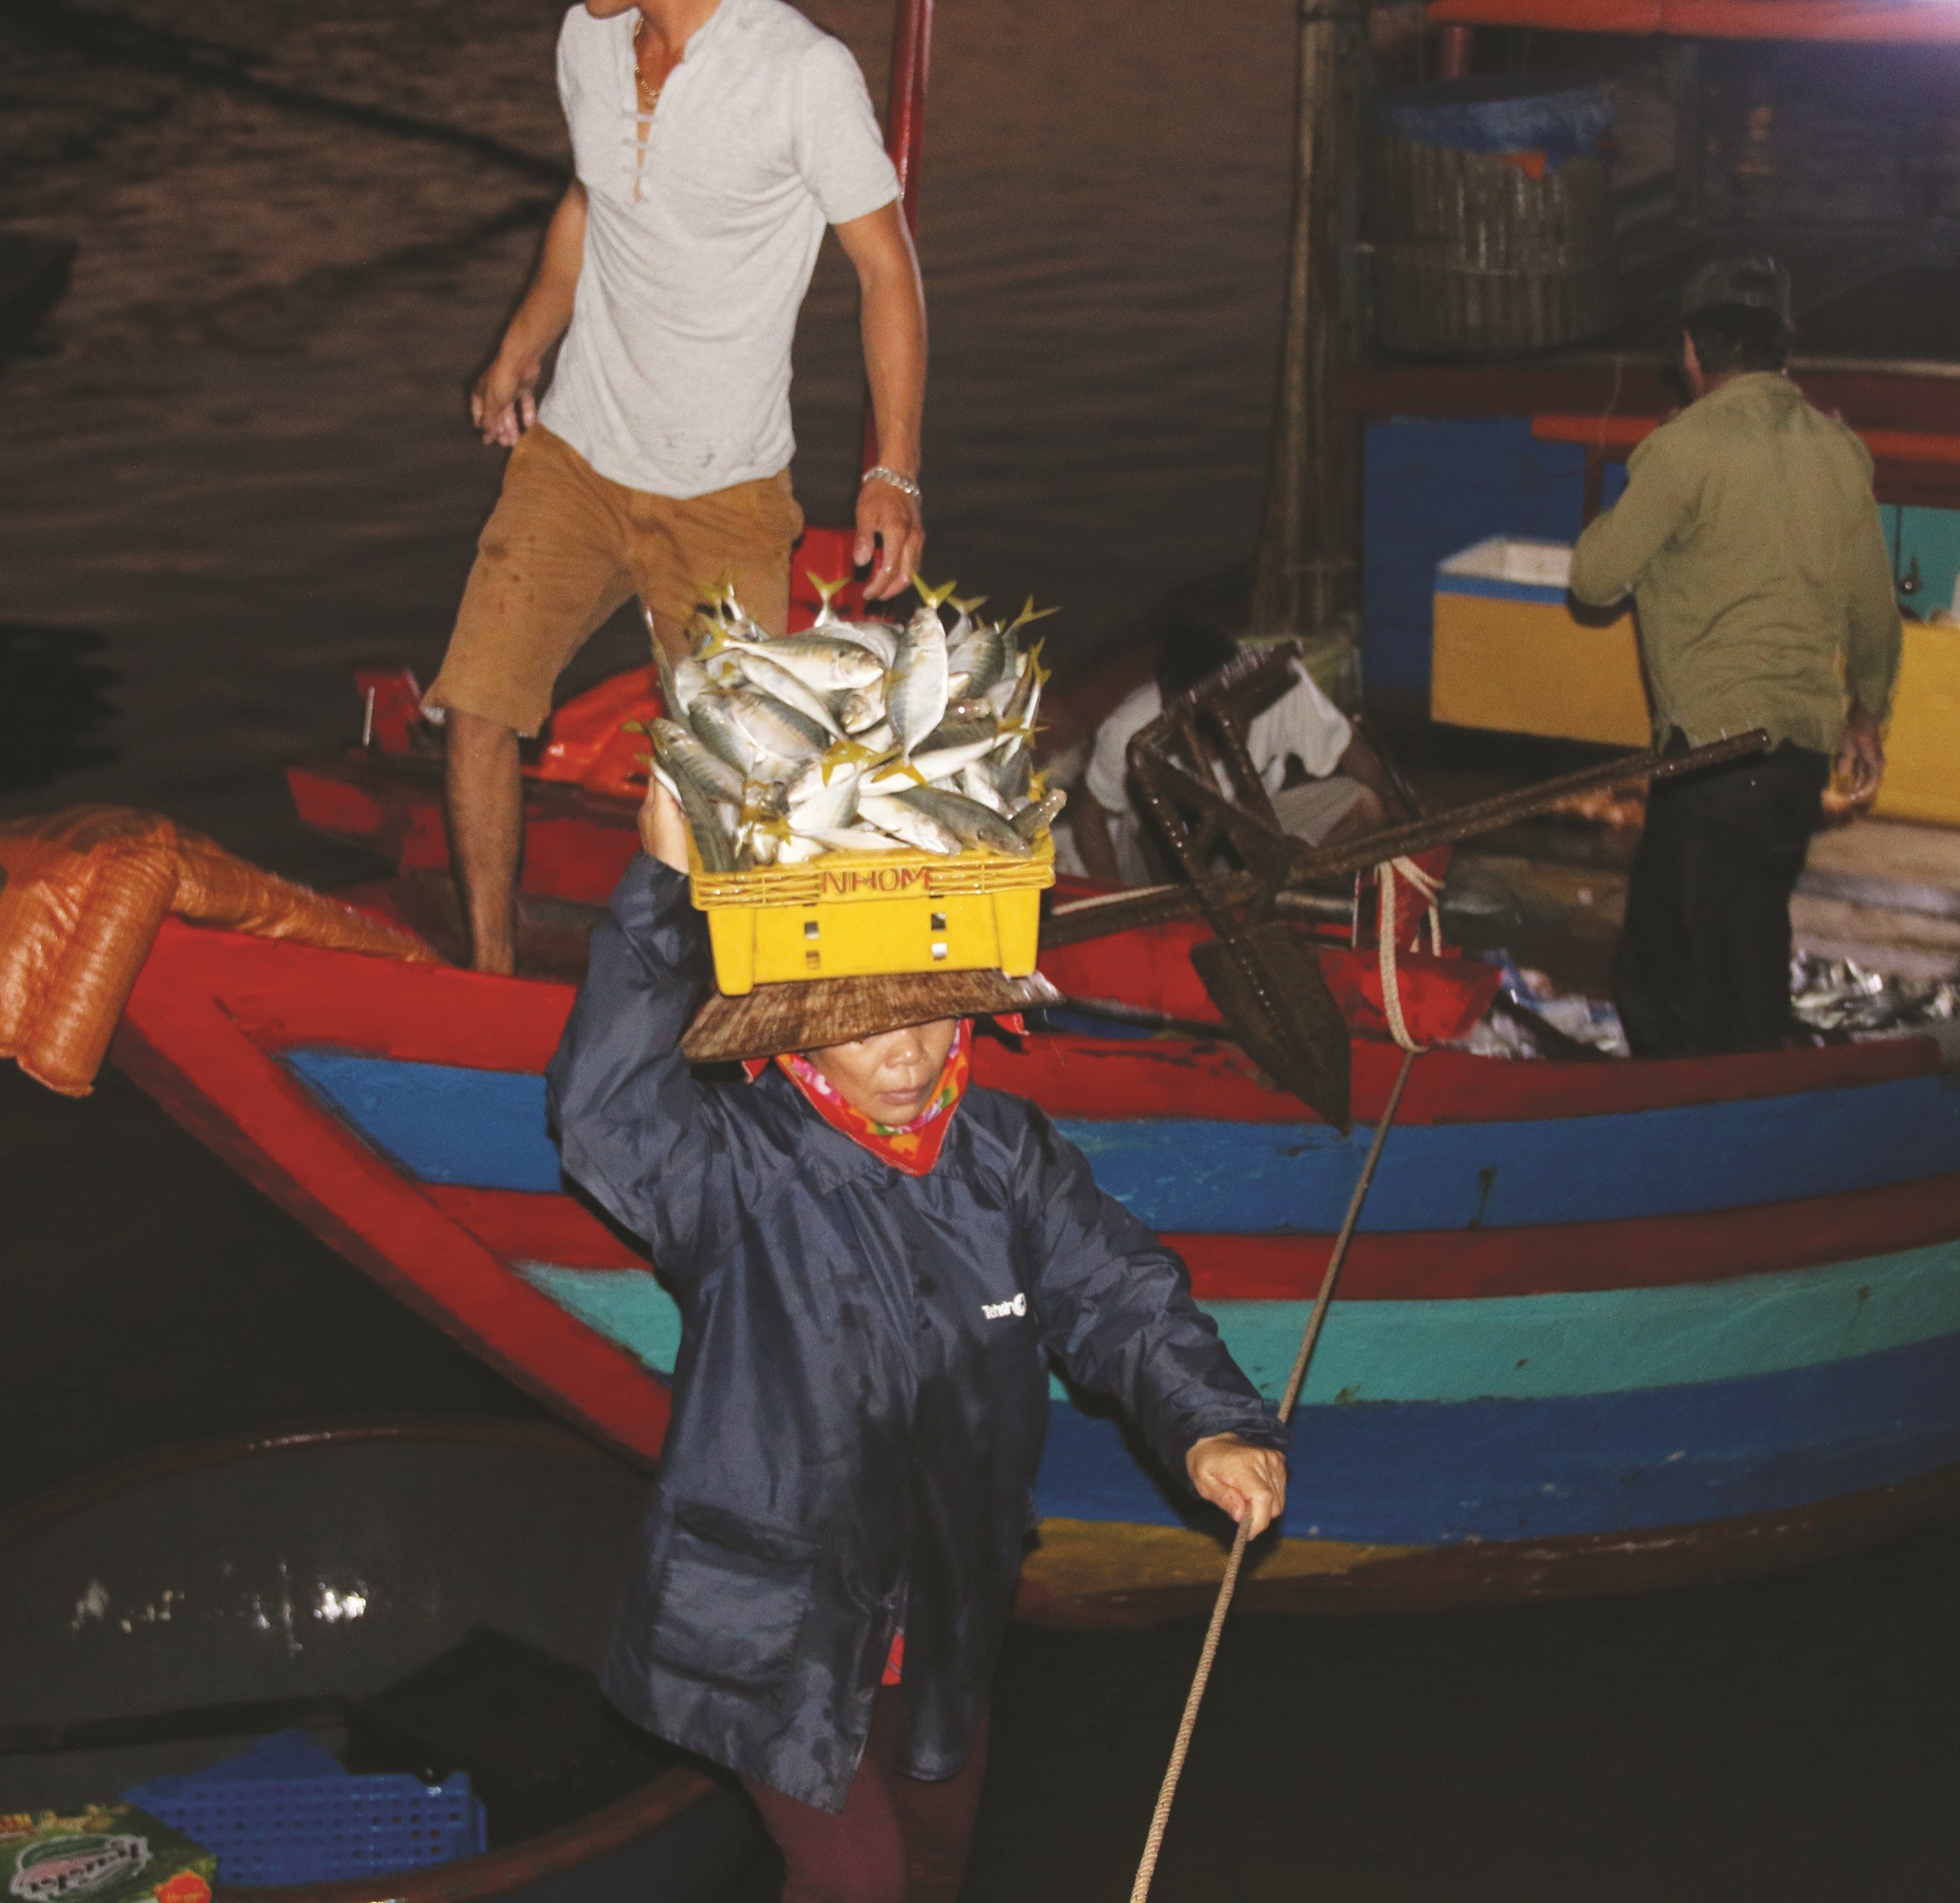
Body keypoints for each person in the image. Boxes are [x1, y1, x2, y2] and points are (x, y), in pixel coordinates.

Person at [544, 785, 1290, 1903]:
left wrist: (1210, 1421)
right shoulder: (735, 1170)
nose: (907, 1049)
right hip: (773, 1618)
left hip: (944, 1601)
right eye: (864, 1018)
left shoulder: (1005, 1152)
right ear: (797, 1019)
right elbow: (602, 1111)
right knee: (861, 1880)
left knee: (939, 1854)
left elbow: (1116, 1291)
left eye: (933, 1009)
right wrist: (659, 891)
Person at [433, 0, 933, 975]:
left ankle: (741, 1006)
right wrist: (518, 351)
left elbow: (886, 269)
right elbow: (592, 202)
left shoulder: (800, 72)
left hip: (723, 492)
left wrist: (893, 470)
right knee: (478, 708)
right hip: (574, 459)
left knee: (739, 780)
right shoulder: (587, 34)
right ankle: (488, 979)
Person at [1567, 257, 1902, 1059]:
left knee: (1662, 975)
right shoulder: (1838, 451)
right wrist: (1867, 712)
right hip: (1797, 762)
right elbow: (1873, 609)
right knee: (1748, 946)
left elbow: (1593, 580)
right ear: (1782, 345)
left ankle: (1680, 1140)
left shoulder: (1681, 450)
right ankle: (1759, 1117)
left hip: (1715, 756)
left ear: (1690, 350)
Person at [1058, 621, 1394, 887]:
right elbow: (1089, 815)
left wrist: (1403, 813)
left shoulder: (1281, 684)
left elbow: (1352, 752)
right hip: (1162, 850)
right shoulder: (1131, 729)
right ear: (1165, 701)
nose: (1209, 745)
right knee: (1153, 829)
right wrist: (1115, 897)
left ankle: (1282, 884)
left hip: (1255, 830)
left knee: (1366, 805)